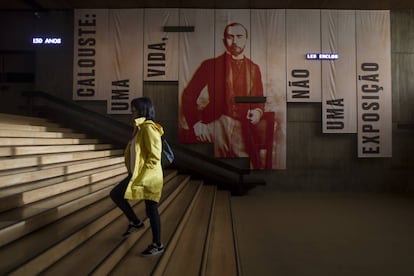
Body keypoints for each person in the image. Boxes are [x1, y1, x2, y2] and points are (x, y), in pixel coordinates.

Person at [180, 22, 266, 169]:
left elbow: (259, 98)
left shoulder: (254, 68)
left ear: (246, 39)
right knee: (214, 167)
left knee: (245, 166)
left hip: (244, 127)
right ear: (223, 40)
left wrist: (257, 112)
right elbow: (188, 95)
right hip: (215, 124)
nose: (235, 41)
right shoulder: (209, 65)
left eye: (239, 36)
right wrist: (196, 124)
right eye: (230, 37)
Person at [110, 97, 165, 257]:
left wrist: (143, 176)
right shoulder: (140, 128)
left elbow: (154, 157)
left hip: (149, 176)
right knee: (118, 195)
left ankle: (157, 244)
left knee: (151, 209)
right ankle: (136, 222)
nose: (131, 112)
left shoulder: (148, 128)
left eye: (133, 109)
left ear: (142, 110)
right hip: (138, 174)